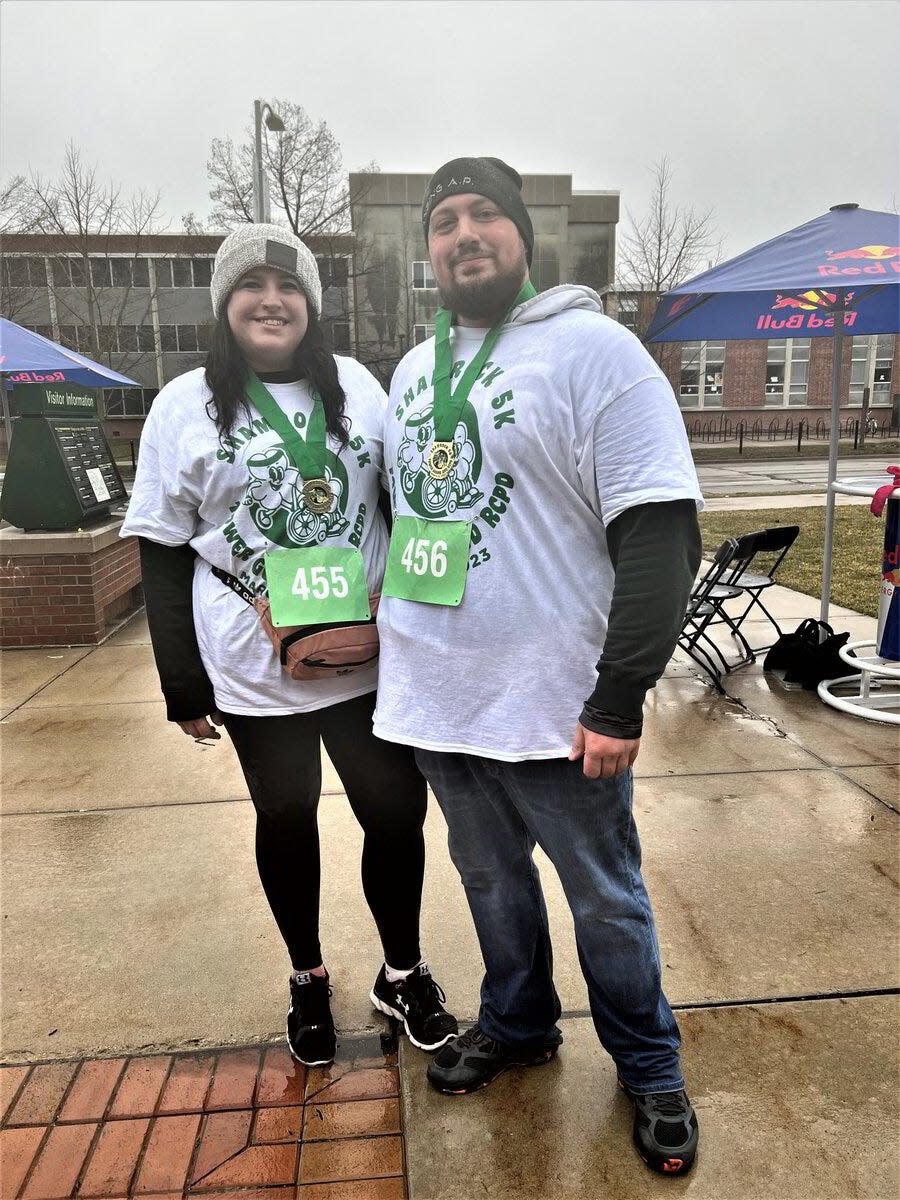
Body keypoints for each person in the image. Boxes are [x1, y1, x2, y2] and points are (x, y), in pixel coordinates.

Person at [373, 159, 704, 1176]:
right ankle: (518, 1023)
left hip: (561, 708)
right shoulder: (413, 367)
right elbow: (401, 518)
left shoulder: (596, 352)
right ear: (426, 248)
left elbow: (660, 533)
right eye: (443, 221)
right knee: (486, 881)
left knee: (605, 896)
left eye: (483, 216)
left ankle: (649, 1066)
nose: (463, 233)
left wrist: (619, 698)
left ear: (522, 236)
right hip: (440, 698)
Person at [121, 224, 457, 1066]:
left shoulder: (358, 387)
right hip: (253, 657)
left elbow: (403, 503)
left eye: (289, 285)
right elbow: (161, 546)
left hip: (365, 650)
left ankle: (403, 969)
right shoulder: (183, 404)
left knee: (394, 813)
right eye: (252, 285)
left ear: (311, 303)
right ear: (224, 305)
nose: (272, 300)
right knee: (286, 815)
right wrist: (180, 679)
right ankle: (307, 976)